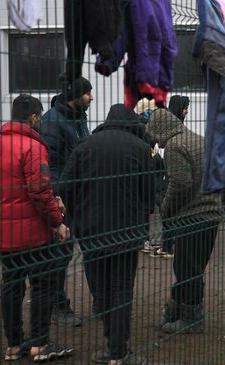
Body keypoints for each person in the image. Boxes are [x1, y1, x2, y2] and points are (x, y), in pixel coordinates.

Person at [60, 104, 156, 365]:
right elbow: (150, 194)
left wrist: (77, 214)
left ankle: (111, 342)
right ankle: (118, 351)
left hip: (91, 232)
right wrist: (142, 214)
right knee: (122, 289)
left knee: (100, 288)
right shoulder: (139, 148)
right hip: (127, 232)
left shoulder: (85, 146)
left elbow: (65, 187)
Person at [0, 94, 73, 362]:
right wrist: (57, 221)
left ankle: (14, 344)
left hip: (5, 234)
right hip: (34, 233)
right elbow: (39, 191)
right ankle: (40, 343)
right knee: (42, 284)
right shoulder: (33, 147)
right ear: (34, 117)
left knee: (12, 285)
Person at [146, 109, 223, 334]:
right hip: (211, 212)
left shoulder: (174, 147)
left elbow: (180, 182)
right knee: (188, 266)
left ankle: (191, 318)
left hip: (193, 216)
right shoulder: (198, 139)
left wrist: (166, 209)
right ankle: (177, 311)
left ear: (160, 130)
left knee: (188, 268)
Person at [40, 76, 93, 327]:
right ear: (75, 96)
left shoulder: (78, 118)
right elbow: (51, 166)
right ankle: (56, 305)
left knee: (74, 250)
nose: (91, 97)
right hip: (63, 198)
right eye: (87, 93)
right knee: (59, 253)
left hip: (80, 195)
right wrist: (58, 196)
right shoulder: (52, 121)